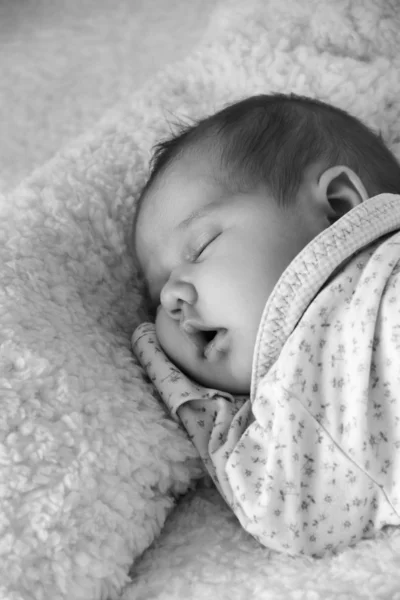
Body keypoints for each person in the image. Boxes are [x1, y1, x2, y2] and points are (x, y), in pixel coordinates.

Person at [131, 93, 400, 556]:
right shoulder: (296, 396)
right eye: (158, 298)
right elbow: (286, 509)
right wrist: (169, 372)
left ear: (339, 204)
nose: (172, 298)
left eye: (199, 248)